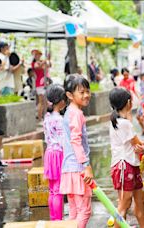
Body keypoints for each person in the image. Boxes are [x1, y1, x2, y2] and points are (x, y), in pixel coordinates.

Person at [108, 87, 144, 228]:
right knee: (125, 203)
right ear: (128, 102)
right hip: (125, 166)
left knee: (140, 199)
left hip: (128, 165)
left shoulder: (119, 121)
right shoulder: (124, 124)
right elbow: (139, 145)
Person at [60, 75, 93, 228]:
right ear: (69, 95)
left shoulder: (68, 111)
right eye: (82, 92)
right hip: (78, 169)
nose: (86, 95)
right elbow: (76, 141)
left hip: (68, 168)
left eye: (88, 91)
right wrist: (86, 165)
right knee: (84, 210)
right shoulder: (76, 114)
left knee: (74, 211)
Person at [43, 84, 67, 221]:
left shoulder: (47, 117)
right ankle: (58, 220)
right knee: (58, 190)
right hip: (58, 154)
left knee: (52, 190)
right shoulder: (60, 120)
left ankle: (54, 219)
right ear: (61, 101)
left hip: (49, 154)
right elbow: (63, 141)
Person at [31, 49, 51, 121]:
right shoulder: (34, 63)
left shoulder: (41, 62)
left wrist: (48, 59)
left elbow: (48, 66)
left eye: (39, 54)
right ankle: (39, 117)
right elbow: (38, 67)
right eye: (36, 54)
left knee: (45, 101)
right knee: (41, 101)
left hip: (44, 82)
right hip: (39, 83)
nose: (38, 56)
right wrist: (45, 61)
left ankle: (44, 116)